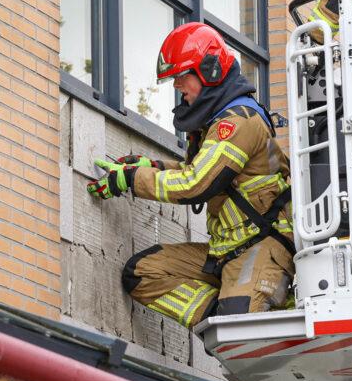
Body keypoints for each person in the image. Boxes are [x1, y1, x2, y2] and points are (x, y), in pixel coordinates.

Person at [86, 22, 295, 328]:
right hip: (226, 251)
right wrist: (150, 167)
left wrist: (131, 179)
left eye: (182, 76)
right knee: (143, 273)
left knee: (238, 331)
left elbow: (196, 184)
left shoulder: (238, 122)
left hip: (262, 248)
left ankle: (249, 308)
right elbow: (195, 171)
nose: (177, 85)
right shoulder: (215, 122)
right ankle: (224, 312)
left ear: (210, 70)